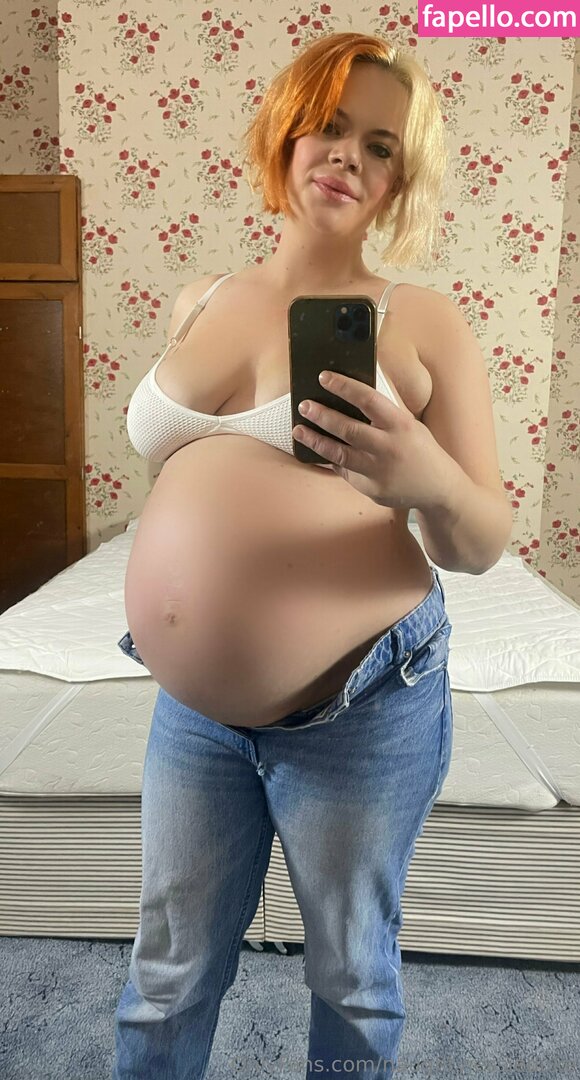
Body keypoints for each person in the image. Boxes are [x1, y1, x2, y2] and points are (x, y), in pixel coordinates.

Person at [113, 31, 512, 1079]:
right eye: (329, 125)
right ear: (286, 133)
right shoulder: (200, 298)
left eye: (379, 145)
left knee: (350, 976)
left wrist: (425, 476)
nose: (347, 155)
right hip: (192, 709)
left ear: (397, 182)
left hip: (362, 707)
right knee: (165, 974)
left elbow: (479, 540)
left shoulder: (423, 322)